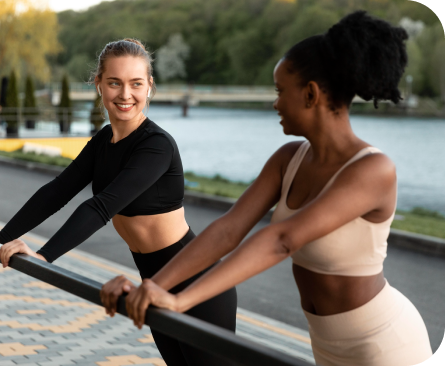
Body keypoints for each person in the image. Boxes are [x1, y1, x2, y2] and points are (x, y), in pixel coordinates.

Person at [122, 11, 431, 366]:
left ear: (311, 94)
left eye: (281, 91)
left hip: (382, 344)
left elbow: (282, 240)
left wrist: (181, 300)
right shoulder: (289, 159)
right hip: (326, 344)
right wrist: (156, 287)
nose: (275, 103)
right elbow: (228, 229)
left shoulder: (373, 169)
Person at [0, 38, 238, 366]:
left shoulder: (157, 146)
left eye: (136, 84)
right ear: (98, 84)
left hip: (197, 282)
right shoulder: (102, 141)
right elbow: (57, 191)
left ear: (149, 86)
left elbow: (100, 207)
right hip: (153, 284)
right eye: (114, 83)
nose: (125, 95)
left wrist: (42, 255)